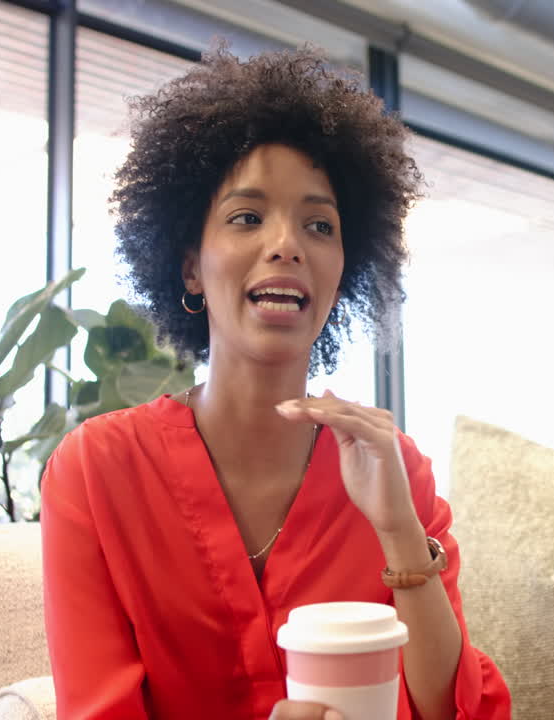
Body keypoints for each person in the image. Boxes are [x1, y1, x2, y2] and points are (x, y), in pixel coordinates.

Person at [39, 46, 511, 720]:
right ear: (191, 266)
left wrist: (400, 530)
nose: (288, 243)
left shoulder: (395, 469)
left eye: (320, 225)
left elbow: (453, 711)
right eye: (246, 217)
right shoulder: (94, 472)